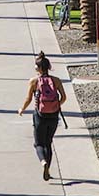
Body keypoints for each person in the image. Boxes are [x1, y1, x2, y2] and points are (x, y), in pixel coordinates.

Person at [18, 51, 67, 181]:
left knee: (38, 143)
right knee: (48, 143)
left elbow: (29, 98)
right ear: (48, 67)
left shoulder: (34, 81)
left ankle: (43, 162)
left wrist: (22, 109)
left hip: (39, 115)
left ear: (37, 68)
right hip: (54, 115)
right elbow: (64, 97)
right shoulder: (56, 80)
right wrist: (56, 106)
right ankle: (48, 170)